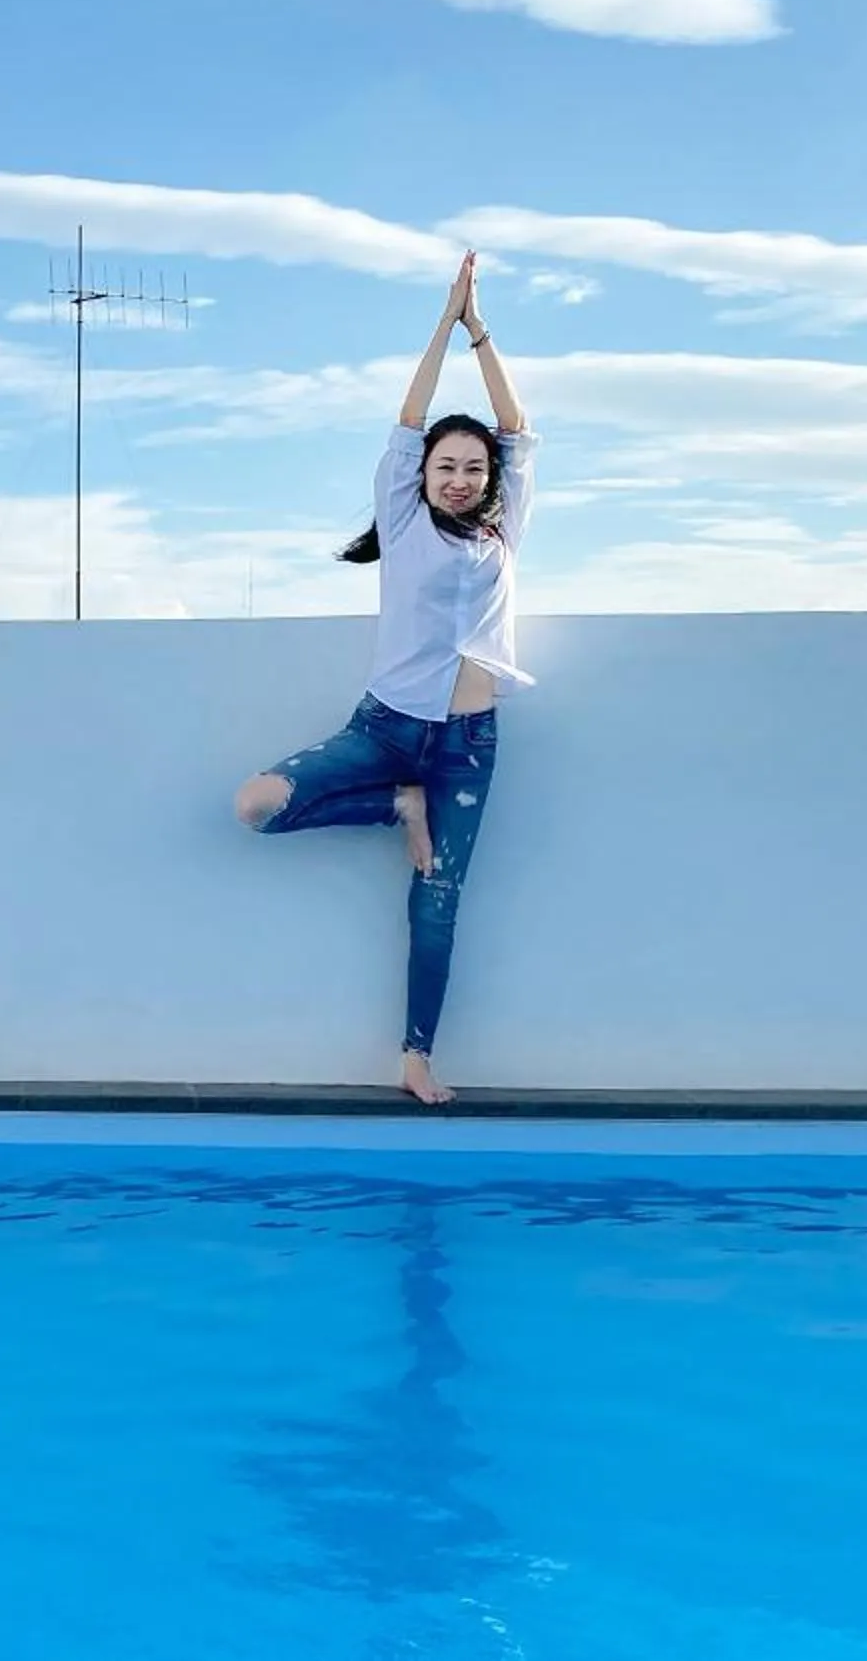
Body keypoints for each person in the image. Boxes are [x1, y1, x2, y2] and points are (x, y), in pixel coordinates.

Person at [233, 251, 536, 1106]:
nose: (461, 477)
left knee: (437, 900)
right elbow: (409, 419)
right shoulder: (404, 522)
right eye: (446, 466)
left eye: (473, 468)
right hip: (385, 729)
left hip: (469, 744)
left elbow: (519, 428)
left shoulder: (506, 527)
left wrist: (486, 334)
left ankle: (415, 1059)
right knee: (257, 804)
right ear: (423, 476)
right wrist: (446, 323)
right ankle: (392, 806)